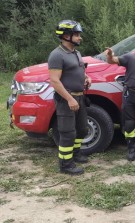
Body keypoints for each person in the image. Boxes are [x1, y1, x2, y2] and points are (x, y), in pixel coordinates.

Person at [48, 20, 91, 175]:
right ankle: (65, 165)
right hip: (67, 100)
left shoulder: (76, 52)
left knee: (82, 129)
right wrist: (69, 99)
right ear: (66, 36)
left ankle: (76, 153)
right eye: (77, 35)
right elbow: (54, 80)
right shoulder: (56, 55)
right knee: (68, 133)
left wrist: (86, 77)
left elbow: (79, 69)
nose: (80, 38)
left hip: (80, 97)